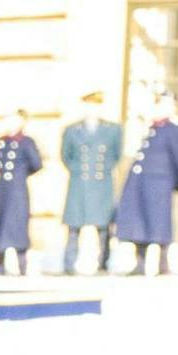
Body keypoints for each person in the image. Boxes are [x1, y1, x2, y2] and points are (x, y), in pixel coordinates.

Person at [114, 100, 178, 275]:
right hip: (140, 182)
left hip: (160, 183)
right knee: (140, 223)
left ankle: (163, 264)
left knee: (160, 225)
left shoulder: (174, 129)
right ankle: (140, 262)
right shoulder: (148, 127)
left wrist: (176, 181)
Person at [58, 89, 123, 276]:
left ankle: (103, 262)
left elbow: (116, 155)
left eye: (95, 106)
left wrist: (103, 170)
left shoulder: (112, 130)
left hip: (101, 183)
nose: (91, 110)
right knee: (74, 225)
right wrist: (77, 170)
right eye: (88, 106)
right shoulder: (72, 130)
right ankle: (69, 263)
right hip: (79, 182)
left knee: (103, 226)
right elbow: (65, 156)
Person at [0, 122, 41, 276]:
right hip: (3, 189)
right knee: (0, 225)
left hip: (17, 189)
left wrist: (20, 174)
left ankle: (22, 266)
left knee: (18, 227)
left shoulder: (26, 142)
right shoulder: (3, 140)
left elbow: (36, 163)